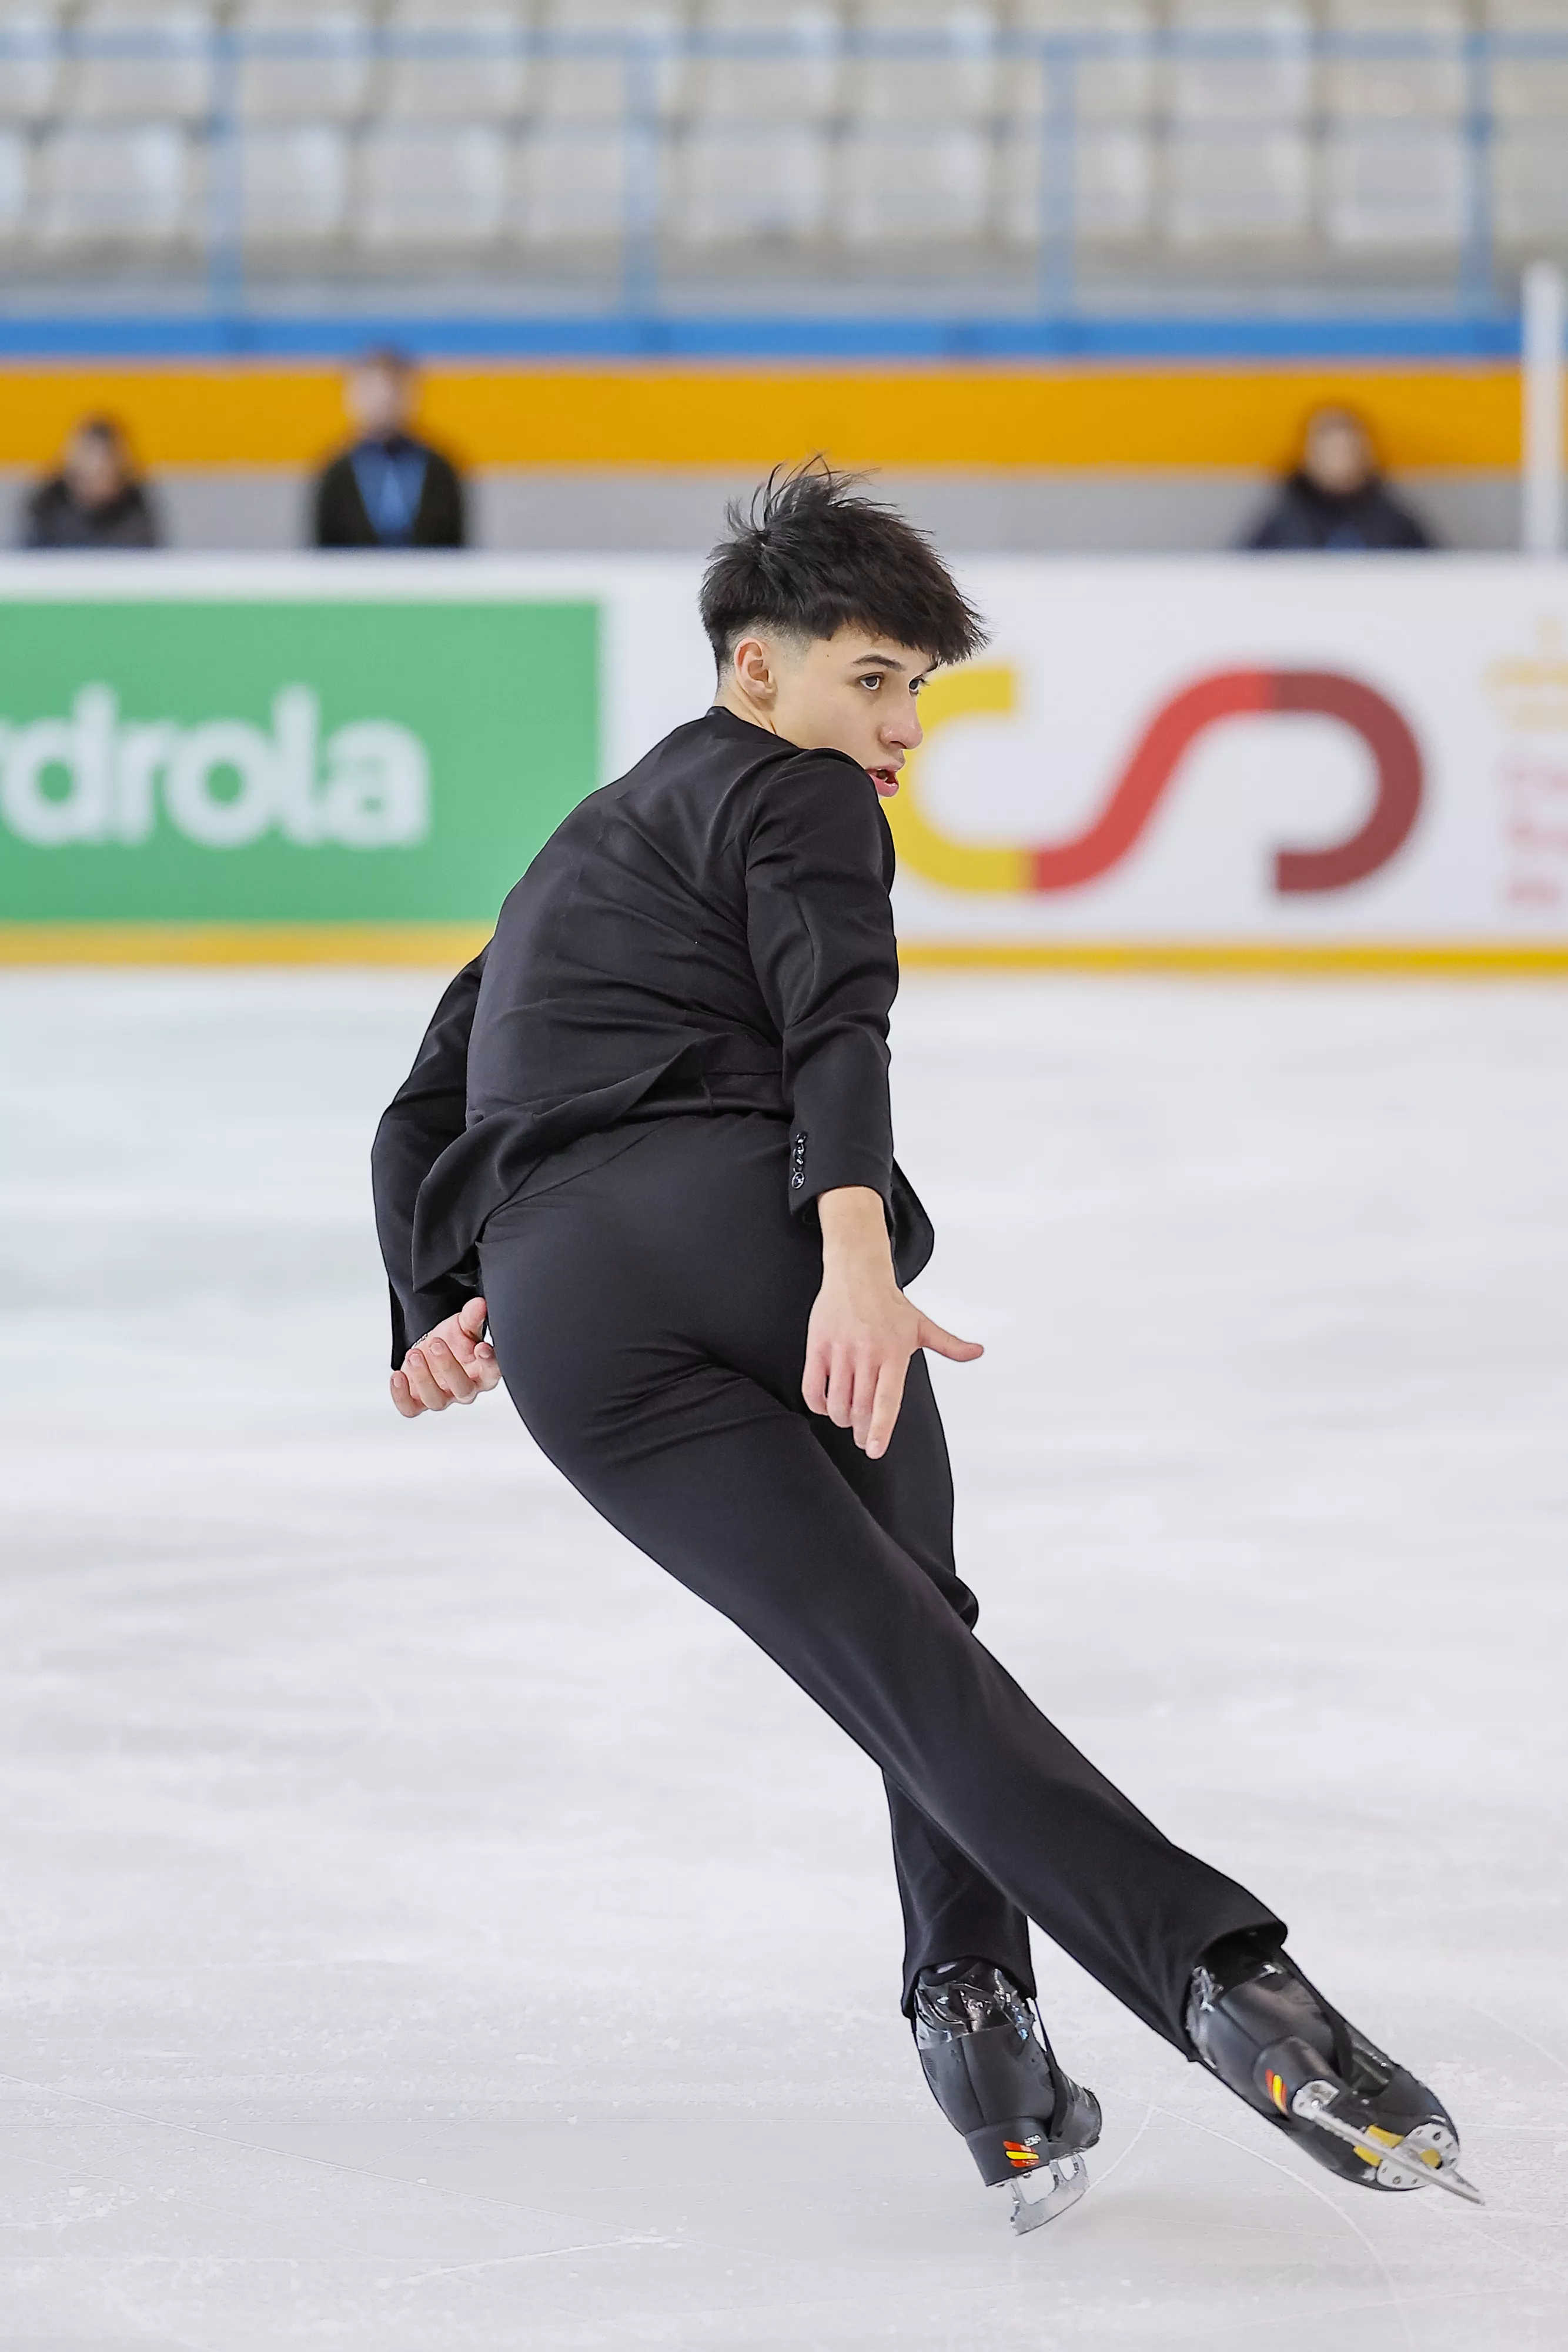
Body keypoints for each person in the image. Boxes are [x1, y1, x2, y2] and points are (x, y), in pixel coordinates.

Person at [372, 464, 1477, 2232]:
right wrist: (854, 1252)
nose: (895, 726)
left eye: (915, 689)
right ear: (760, 670)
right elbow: (839, 1021)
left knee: (892, 1661)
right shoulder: (799, 794)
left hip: (571, 1330)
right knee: (922, 1656)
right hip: (757, 1236)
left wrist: (425, 1301)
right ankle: (1241, 1991)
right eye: (871, 676)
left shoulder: (578, 842)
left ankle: (988, 2044)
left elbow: (430, 1097)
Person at [311, 348, 466, 550]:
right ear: (352, 395)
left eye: (394, 388)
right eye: (372, 389)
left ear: (412, 394)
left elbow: (458, 551)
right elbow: (320, 554)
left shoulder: (439, 468)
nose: (384, 399)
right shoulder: (335, 473)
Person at [1243, 405, 1435, 552]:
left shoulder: (1393, 520)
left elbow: (1438, 571)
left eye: (1348, 451)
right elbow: (1238, 574)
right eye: (1330, 451)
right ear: (1309, 457)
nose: (1340, 462)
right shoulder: (1284, 521)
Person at [21, 416, 160, 550]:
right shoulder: (48, 509)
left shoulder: (136, 512)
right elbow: (27, 563)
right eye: (89, 473)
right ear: (73, 469)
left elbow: (144, 561)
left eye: (104, 474)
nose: (96, 481)